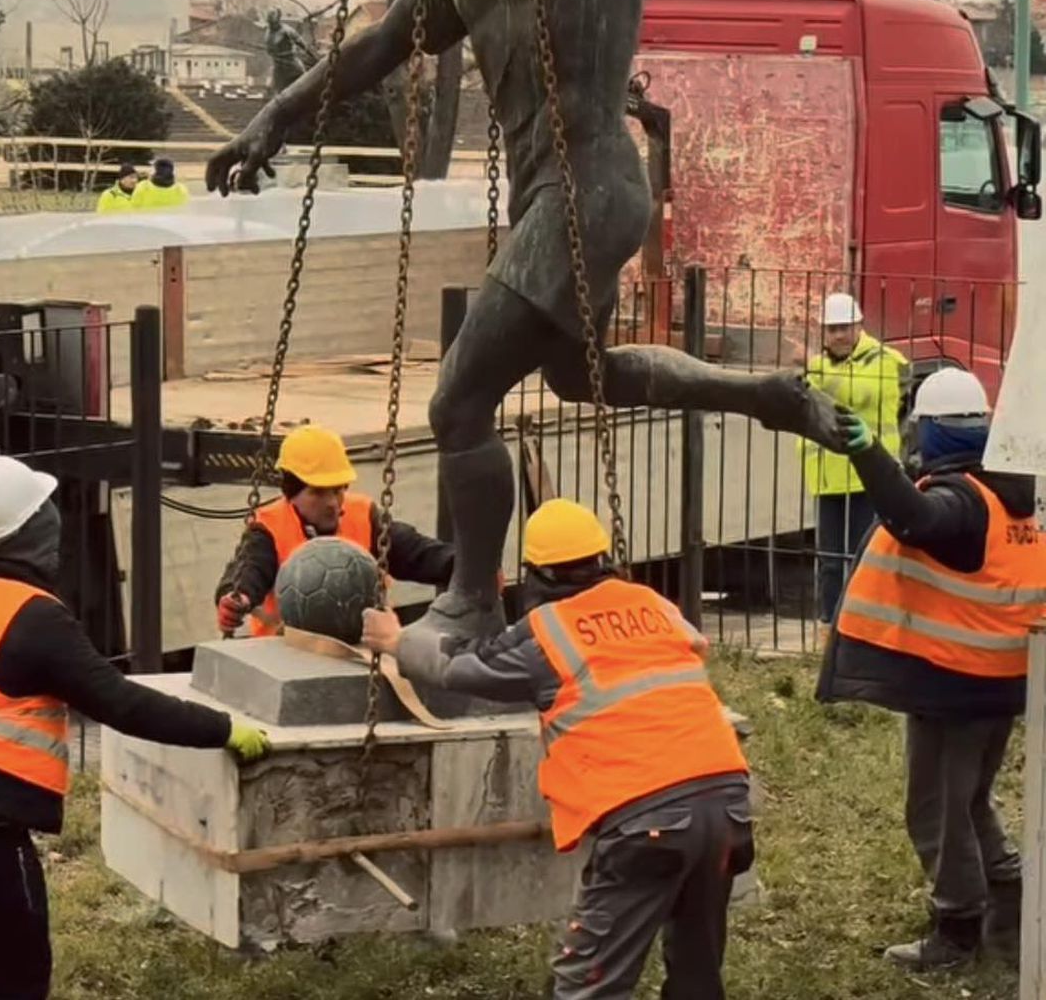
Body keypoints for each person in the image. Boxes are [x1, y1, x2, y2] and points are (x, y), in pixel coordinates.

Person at [207, 0, 841, 643]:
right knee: (582, 376)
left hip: (592, 185)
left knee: (458, 402)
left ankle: (471, 596)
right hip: (548, 194)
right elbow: (382, 45)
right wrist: (277, 112)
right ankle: (767, 395)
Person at [0, 454, 269, 1000]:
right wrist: (223, 729)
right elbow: (121, 703)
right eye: (44, 510)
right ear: (31, 530)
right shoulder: (34, 617)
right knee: (16, 982)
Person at [362, 498, 754, 1000]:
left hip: (647, 823)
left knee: (588, 983)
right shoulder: (653, 604)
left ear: (536, 573)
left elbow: (459, 669)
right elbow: (689, 647)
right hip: (727, 804)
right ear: (601, 558)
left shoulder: (549, 633)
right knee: (698, 970)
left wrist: (398, 642)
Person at [819, 366, 1046, 970]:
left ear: (931, 431)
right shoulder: (1012, 492)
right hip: (1003, 679)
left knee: (936, 810)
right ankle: (1011, 906)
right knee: (970, 801)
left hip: (956, 685)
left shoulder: (962, 502)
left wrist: (869, 456)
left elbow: (915, 518)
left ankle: (957, 932)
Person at [214, 424, 455, 636]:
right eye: (318, 492)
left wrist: (468, 568)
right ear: (291, 492)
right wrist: (237, 599)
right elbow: (249, 571)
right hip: (284, 654)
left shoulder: (364, 515)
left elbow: (420, 554)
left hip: (360, 651)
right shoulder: (269, 527)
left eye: (338, 489)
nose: (332, 503)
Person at [801, 292, 908, 626]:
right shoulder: (821, 365)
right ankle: (830, 626)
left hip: (869, 476)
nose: (838, 335)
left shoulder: (883, 360)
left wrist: (812, 368)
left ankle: (865, 625)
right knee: (830, 561)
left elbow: (857, 393)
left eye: (844, 328)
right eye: (831, 329)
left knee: (865, 557)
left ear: (859, 326)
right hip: (827, 478)